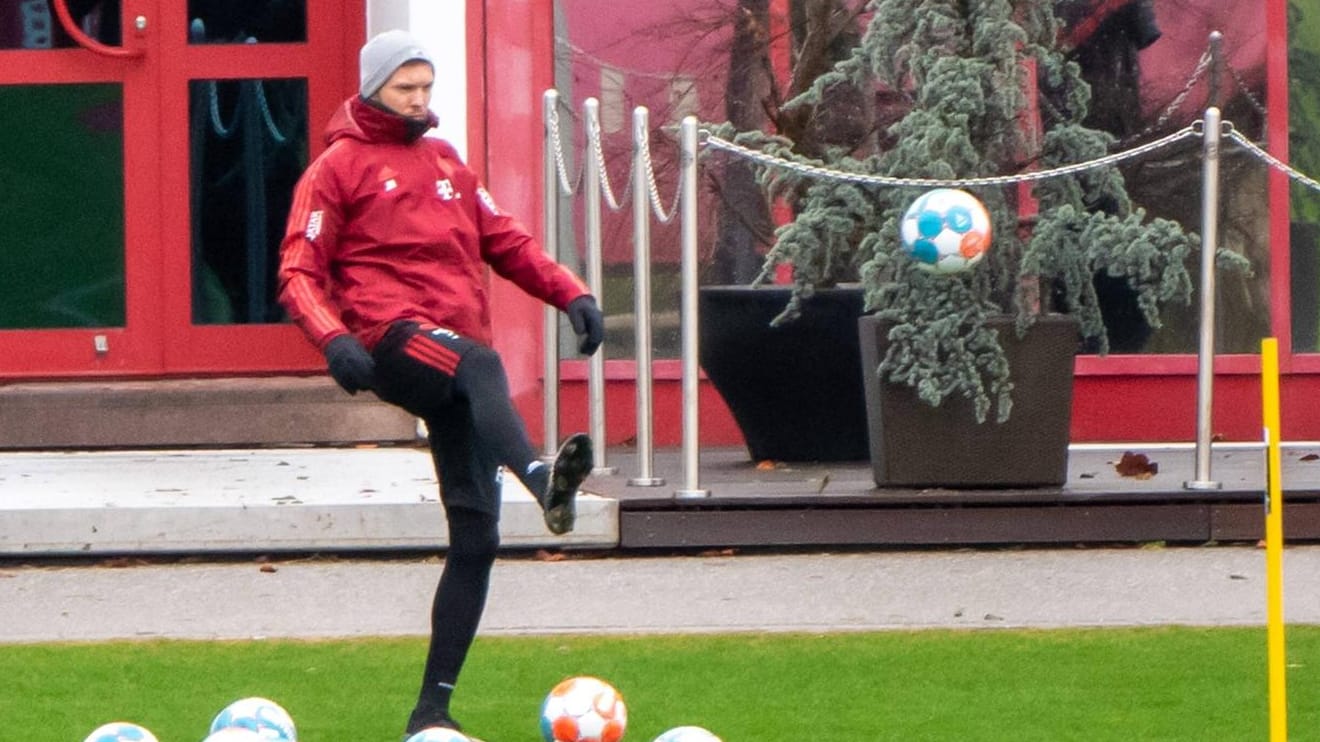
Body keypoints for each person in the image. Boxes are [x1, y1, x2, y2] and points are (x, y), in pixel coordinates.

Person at [276, 29, 605, 738]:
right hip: (389, 338)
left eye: (426, 87)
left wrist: (571, 294)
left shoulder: (448, 162)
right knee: (484, 366)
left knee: (477, 539)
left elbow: (506, 241)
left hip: (455, 363)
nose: (420, 100)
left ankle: (431, 714)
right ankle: (544, 478)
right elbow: (298, 270)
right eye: (406, 88)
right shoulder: (336, 168)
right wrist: (333, 340)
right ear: (372, 88)